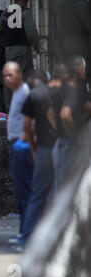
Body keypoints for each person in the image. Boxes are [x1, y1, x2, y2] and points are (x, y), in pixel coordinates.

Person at [17, 63, 69, 250]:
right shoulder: (69, 92)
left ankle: (26, 239)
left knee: (37, 194)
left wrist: (32, 148)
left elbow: (26, 126)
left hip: (44, 149)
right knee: (62, 193)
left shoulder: (36, 94)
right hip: (64, 146)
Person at [3, 61, 33, 248]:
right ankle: (23, 232)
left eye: (11, 75)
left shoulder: (25, 93)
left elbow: (30, 121)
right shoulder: (16, 93)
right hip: (15, 143)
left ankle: (28, 234)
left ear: (19, 74)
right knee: (20, 192)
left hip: (22, 145)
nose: (7, 79)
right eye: (5, 75)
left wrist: (24, 140)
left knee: (25, 192)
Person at [53, 56, 89, 190]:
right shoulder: (75, 89)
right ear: (80, 70)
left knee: (60, 187)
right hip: (69, 142)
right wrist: (74, 132)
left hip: (59, 141)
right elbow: (65, 115)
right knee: (68, 188)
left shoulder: (60, 88)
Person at [0, 0, 40, 109]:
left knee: (10, 78)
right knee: (24, 78)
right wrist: (36, 46)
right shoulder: (25, 12)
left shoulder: (5, 12)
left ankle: (10, 108)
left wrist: (6, 43)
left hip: (9, 50)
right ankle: (24, 109)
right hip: (23, 48)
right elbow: (31, 33)